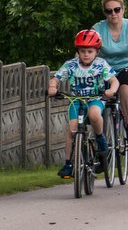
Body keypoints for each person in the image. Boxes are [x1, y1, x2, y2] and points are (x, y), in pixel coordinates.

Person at [48, 30, 119, 178]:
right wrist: (53, 87)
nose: (86, 54)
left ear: (96, 52)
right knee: (71, 130)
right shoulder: (71, 65)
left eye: (90, 51)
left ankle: (100, 138)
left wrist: (111, 90)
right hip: (76, 101)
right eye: (82, 51)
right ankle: (68, 163)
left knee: (94, 114)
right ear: (78, 52)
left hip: (95, 99)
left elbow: (114, 81)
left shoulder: (101, 65)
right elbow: (56, 78)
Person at [92, 0, 128, 142]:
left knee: (125, 87)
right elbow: (91, 50)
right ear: (104, 13)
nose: (113, 13)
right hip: (105, 70)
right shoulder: (98, 28)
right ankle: (98, 136)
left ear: (123, 10)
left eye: (117, 9)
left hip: (126, 67)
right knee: (96, 96)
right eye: (109, 11)